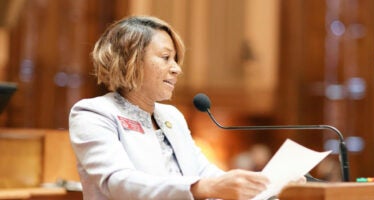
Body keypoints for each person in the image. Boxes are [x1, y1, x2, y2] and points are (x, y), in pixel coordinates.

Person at [69, 15, 300, 200]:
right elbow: (118, 183)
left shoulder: (171, 116)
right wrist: (206, 187)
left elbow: (206, 175)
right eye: (166, 57)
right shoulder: (93, 113)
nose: (177, 69)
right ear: (130, 59)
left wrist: (268, 184)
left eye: (176, 60)